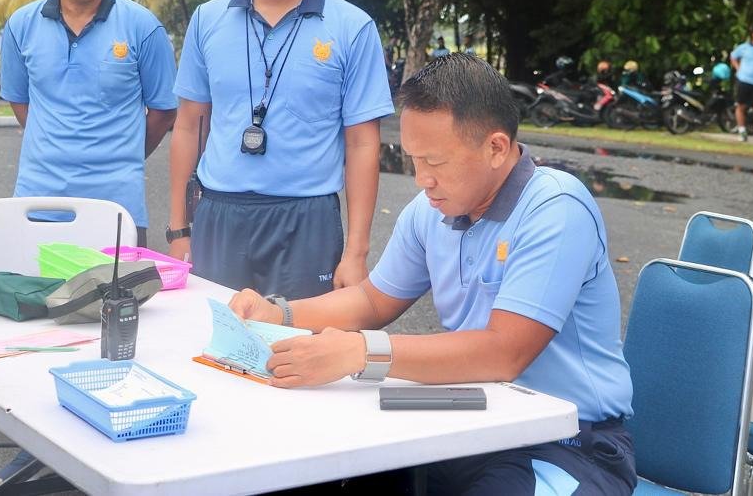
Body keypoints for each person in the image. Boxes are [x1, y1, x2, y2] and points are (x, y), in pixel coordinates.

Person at [230, 53, 635, 495]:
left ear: (496, 148)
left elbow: (504, 353)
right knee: (325, 472)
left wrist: (361, 352)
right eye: (413, 160)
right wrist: (279, 314)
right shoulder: (431, 210)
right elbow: (372, 300)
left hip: (566, 439)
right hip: (466, 416)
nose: (422, 179)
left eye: (436, 163)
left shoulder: (555, 208)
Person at [168, 0, 394, 300]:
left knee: (299, 351)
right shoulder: (208, 20)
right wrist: (179, 228)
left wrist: (357, 252)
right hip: (220, 213)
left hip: (306, 219)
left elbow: (363, 143)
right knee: (210, 349)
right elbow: (188, 125)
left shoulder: (352, 27)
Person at [0, 0, 178, 246]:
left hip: (117, 208)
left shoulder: (142, 27)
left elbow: (164, 110)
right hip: (37, 203)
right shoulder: (21, 25)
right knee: (35, 299)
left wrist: (122, 155)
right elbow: (20, 101)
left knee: (116, 301)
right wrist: (54, 143)